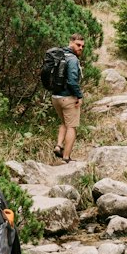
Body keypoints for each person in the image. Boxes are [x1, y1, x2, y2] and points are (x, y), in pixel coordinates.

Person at [51, 33, 85, 163]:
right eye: (78, 45)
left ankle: (58, 146)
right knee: (72, 127)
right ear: (70, 42)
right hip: (68, 98)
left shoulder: (59, 55)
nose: (81, 48)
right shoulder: (73, 59)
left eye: (82, 46)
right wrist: (79, 96)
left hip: (55, 97)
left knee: (64, 123)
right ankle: (66, 158)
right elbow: (72, 81)